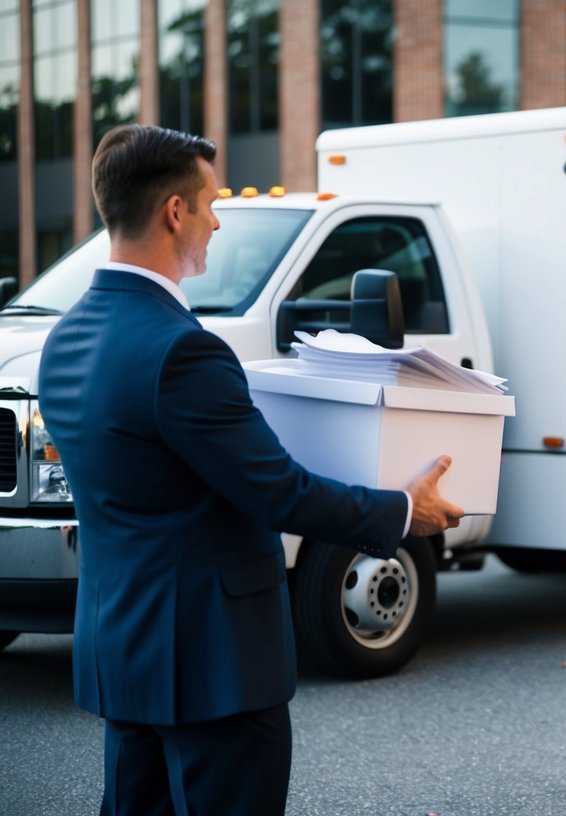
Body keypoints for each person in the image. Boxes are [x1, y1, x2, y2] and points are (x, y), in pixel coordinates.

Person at [37, 124, 465, 816]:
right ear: (173, 212)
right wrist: (403, 510)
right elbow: (277, 492)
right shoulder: (182, 352)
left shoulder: (65, 338)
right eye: (210, 204)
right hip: (212, 664)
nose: (215, 221)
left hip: (123, 651)